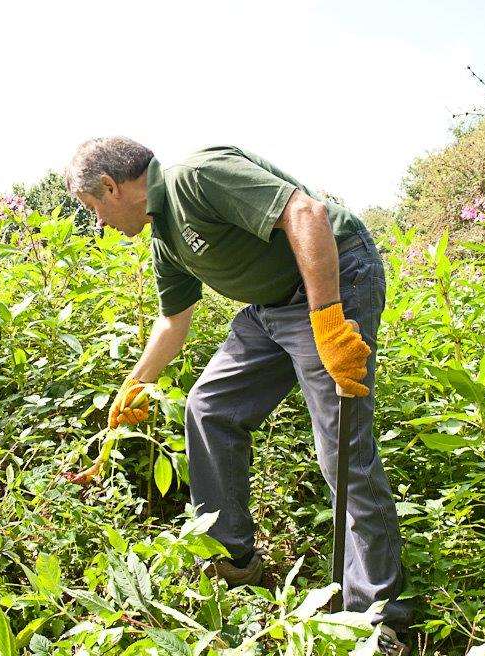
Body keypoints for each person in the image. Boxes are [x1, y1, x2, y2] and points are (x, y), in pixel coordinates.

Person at [66, 138, 411, 654]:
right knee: (209, 408)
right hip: (268, 308)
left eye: (94, 208)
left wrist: (329, 323)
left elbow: (307, 213)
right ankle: (231, 557)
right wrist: (134, 385)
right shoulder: (165, 237)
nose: (99, 223)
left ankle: (378, 617)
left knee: (343, 452)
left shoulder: (196, 177)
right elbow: (173, 320)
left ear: (112, 187)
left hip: (331, 284)